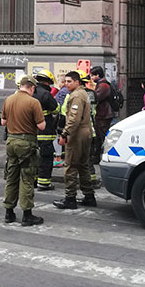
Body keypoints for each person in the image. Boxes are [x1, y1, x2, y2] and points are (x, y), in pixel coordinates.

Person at [1, 76, 46, 226]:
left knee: (11, 177)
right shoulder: (33, 102)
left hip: (11, 141)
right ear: (32, 88)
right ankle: (27, 215)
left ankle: (9, 212)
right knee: (27, 178)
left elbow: (3, 122)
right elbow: (41, 126)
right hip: (26, 144)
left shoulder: (9, 99)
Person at [53, 71, 96, 209]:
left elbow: (73, 119)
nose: (66, 84)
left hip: (77, 134)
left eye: (69, 81)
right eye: (65, 81)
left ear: (77, 82)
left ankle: (70, 198)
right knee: (83, 165)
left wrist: (64, 134)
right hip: (86, 132)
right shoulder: (83, 93)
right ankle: (89, 196)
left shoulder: (76, 95)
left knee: (71, 166)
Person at [32, 69, 59, 192]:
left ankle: (34, 180)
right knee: (46, 157)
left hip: (31, 132)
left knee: (33, 157)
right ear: (48, 82)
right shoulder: (46, 94)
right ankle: (44, 182)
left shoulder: (30, 92)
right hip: (45, 132)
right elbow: (55, 109)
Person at [89, 66, 114, 163]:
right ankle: (97, 157)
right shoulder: (102, 84)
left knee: (103, 136)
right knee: (99, 136)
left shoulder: (103, 85)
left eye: (92, 75)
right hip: (102, 114)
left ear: (97, 75)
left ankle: (104, 156)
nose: (91, 78)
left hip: (104, 114)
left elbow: (96, 98)